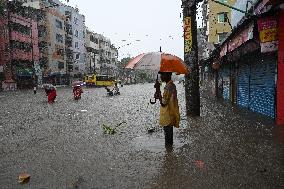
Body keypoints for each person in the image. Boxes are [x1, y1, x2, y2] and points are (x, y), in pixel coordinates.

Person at [158, 72, 180, 147]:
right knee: (169, 136)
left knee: (168, 138)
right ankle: (170, 153)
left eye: (162, 75)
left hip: (167, 115)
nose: (161, 77)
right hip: (171, 113)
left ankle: (168, 153)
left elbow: (163, 103)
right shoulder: (172, 85)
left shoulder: (168, 87)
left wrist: (159, 95)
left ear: (167, 75)